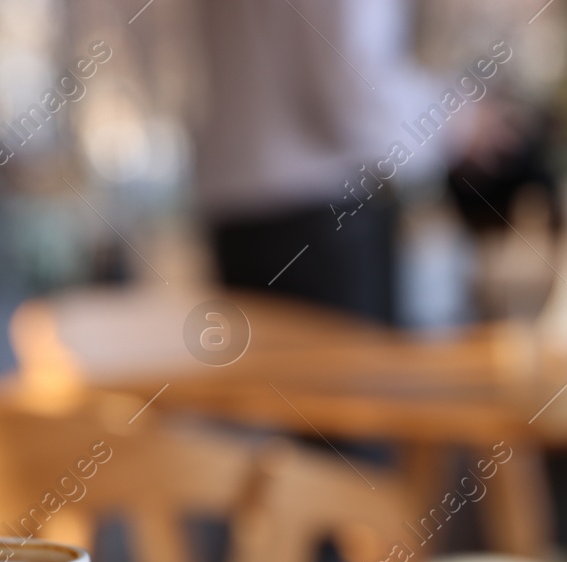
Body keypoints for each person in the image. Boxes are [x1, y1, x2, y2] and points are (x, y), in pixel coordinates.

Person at [187, 0, 452, 323]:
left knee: (268, 368)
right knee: (340, 370)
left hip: (238, 213)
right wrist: (455, 120)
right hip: (324, 221)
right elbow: (356, 95)